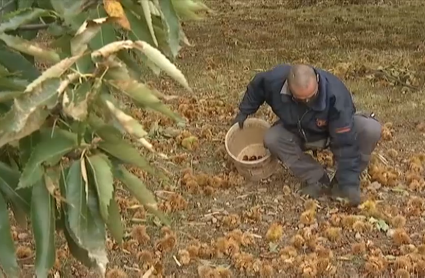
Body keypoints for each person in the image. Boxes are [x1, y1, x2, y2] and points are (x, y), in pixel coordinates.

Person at [232, 64, 382, 206]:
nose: (307, 101)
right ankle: (316, 178)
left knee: (370, 128)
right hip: (298, 131)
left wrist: (348, 181)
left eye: (311, 96)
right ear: (289, 88)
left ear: (317, 80)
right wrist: (244, 111)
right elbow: (257, 87)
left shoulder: (336, 94)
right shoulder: (274, 80)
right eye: (301, 99)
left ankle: (340, 182)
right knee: (272, 138)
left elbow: (345, 142)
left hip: (332, 132)